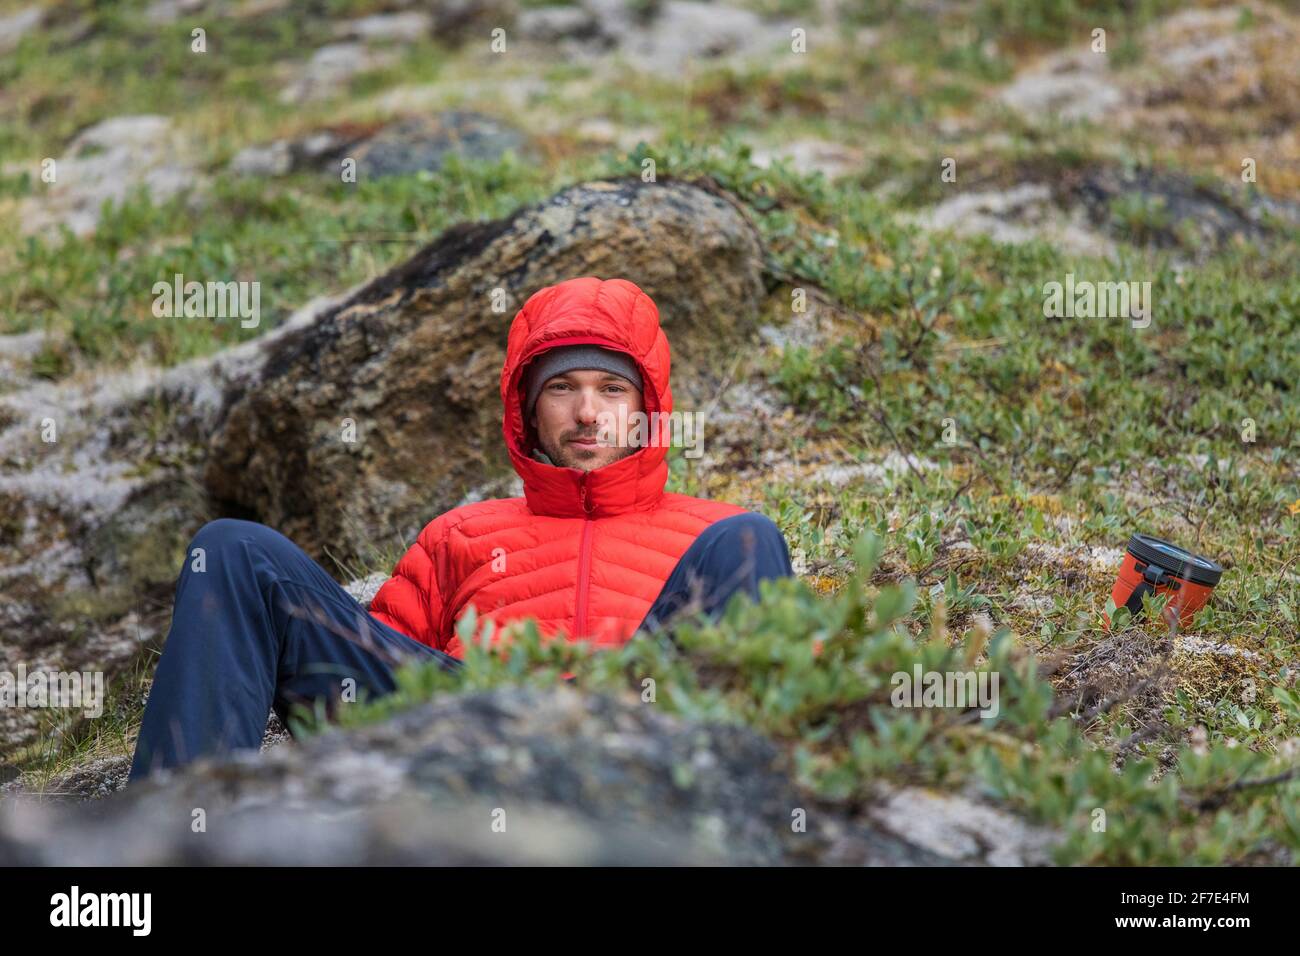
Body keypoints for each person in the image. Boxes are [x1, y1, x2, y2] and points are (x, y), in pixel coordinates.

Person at [128, 276, 794, 782]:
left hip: (636, 743)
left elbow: (808, 690)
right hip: (459, 740)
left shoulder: (717, 539)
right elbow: (372, 669)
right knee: (233, 550)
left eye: (612, 391)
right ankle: (162, 846)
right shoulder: (461, 533)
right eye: (562, 388)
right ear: (529, 413)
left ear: (646, 409)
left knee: (749, 540)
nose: (588, 412)